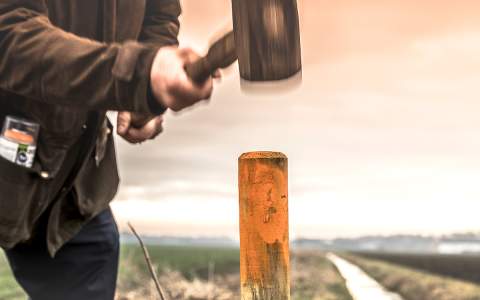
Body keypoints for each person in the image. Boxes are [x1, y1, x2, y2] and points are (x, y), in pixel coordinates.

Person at [0, 1, 214, 299]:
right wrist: (135, 73)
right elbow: (8, 34)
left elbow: (159, 13)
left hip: (74, 177)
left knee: (92, 253)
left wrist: (144, 95)